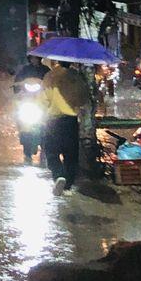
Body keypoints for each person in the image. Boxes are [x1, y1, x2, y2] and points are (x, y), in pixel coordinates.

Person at [40, 60, 89, 194]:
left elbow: (44, 99)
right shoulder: (76, 77)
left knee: (51, 152)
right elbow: (83, 99)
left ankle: (58, 175)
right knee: (71, 154)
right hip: (70, 120)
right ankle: (68, 183)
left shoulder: (49, 76)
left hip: (52, 119)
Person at [12, 52, 48, 162]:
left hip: (41, 102)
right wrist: (17, 86)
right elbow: (17, 83)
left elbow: (51, 84)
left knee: (47, 123)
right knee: (21, 120)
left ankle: (45, 148)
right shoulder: (24, 70)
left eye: (36, 58)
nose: (34, 60)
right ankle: (26, 149)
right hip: (27, 100)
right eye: (32, 58)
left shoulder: (46, 71)